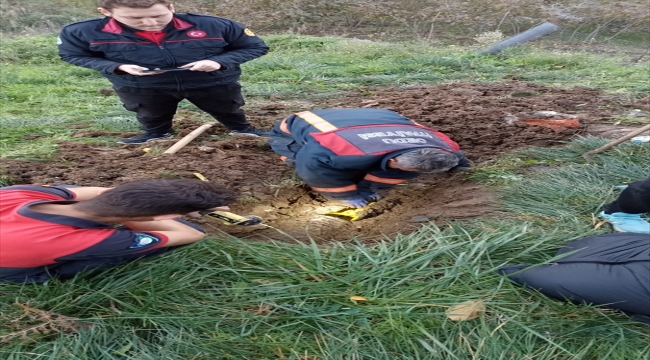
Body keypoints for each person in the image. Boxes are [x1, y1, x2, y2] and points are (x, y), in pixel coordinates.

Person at [58, 0, 270, 144]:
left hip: (212, 80)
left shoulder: (214, 25)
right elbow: (73, 55)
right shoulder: (80, 32)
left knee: (228, 107)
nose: (150, 23)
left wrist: (217, 62)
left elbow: (255, 46)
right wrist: (117, 67)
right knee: (150, 112)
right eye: (135, 19)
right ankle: (158, 134)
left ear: (171, 6)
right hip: (141, 85)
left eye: (159, 15)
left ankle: (242, 129)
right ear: (106, 12)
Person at [0, 179, 236, 283]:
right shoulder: (85, 240)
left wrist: (135, 209)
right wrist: (142, 217)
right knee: (170, 239)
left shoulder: (19, 192)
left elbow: (104, 193)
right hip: (9, 268)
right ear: (165, 216)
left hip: (14, 233)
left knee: (70, 191)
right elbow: (192, 235)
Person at [267, 108, 471, 208]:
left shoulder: (443, 145)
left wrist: (462, 167)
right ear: (394, 161)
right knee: (297, 159)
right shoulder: (336, 150)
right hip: (292, 129)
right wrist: (345, 195)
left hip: (373, 116)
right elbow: (313, 168)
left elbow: (453, 156)